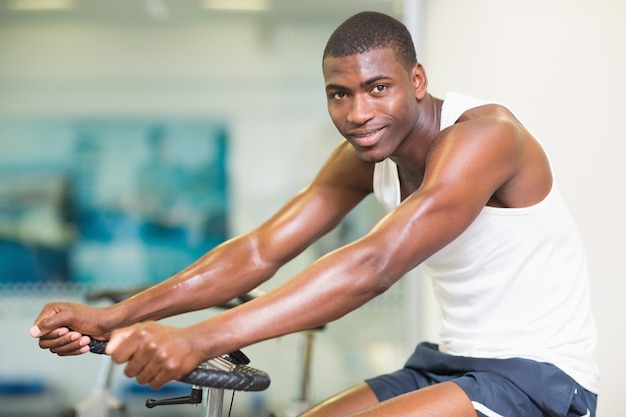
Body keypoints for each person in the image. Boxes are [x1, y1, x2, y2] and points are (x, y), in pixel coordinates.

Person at [30, 11, 599, 417]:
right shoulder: (366, 156)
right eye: (340, 94)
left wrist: (198, 340)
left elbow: (375, 263)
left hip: (538, 379)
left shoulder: (484, 138)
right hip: (449, 363)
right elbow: (260, 251)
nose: (358, 113)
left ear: (417, 81)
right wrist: (117, 317)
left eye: (378, 88)